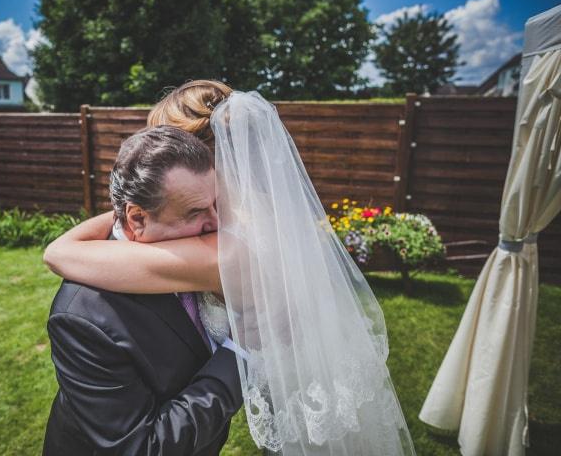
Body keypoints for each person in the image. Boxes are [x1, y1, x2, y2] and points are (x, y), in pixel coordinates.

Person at [44, 81, 417, 455]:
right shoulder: (257, 211)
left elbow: (66, 254)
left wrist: (64, 245)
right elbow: (123, 221)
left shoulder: (227, 250)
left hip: (298, 392)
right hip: (311, 380)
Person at [42, 125, 244, 455]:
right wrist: (244, 355)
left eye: (216, 204)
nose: (217, 223)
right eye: (195, 212)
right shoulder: (82, 316)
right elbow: (142, 446)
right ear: (137, 219)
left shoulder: (203, 251)